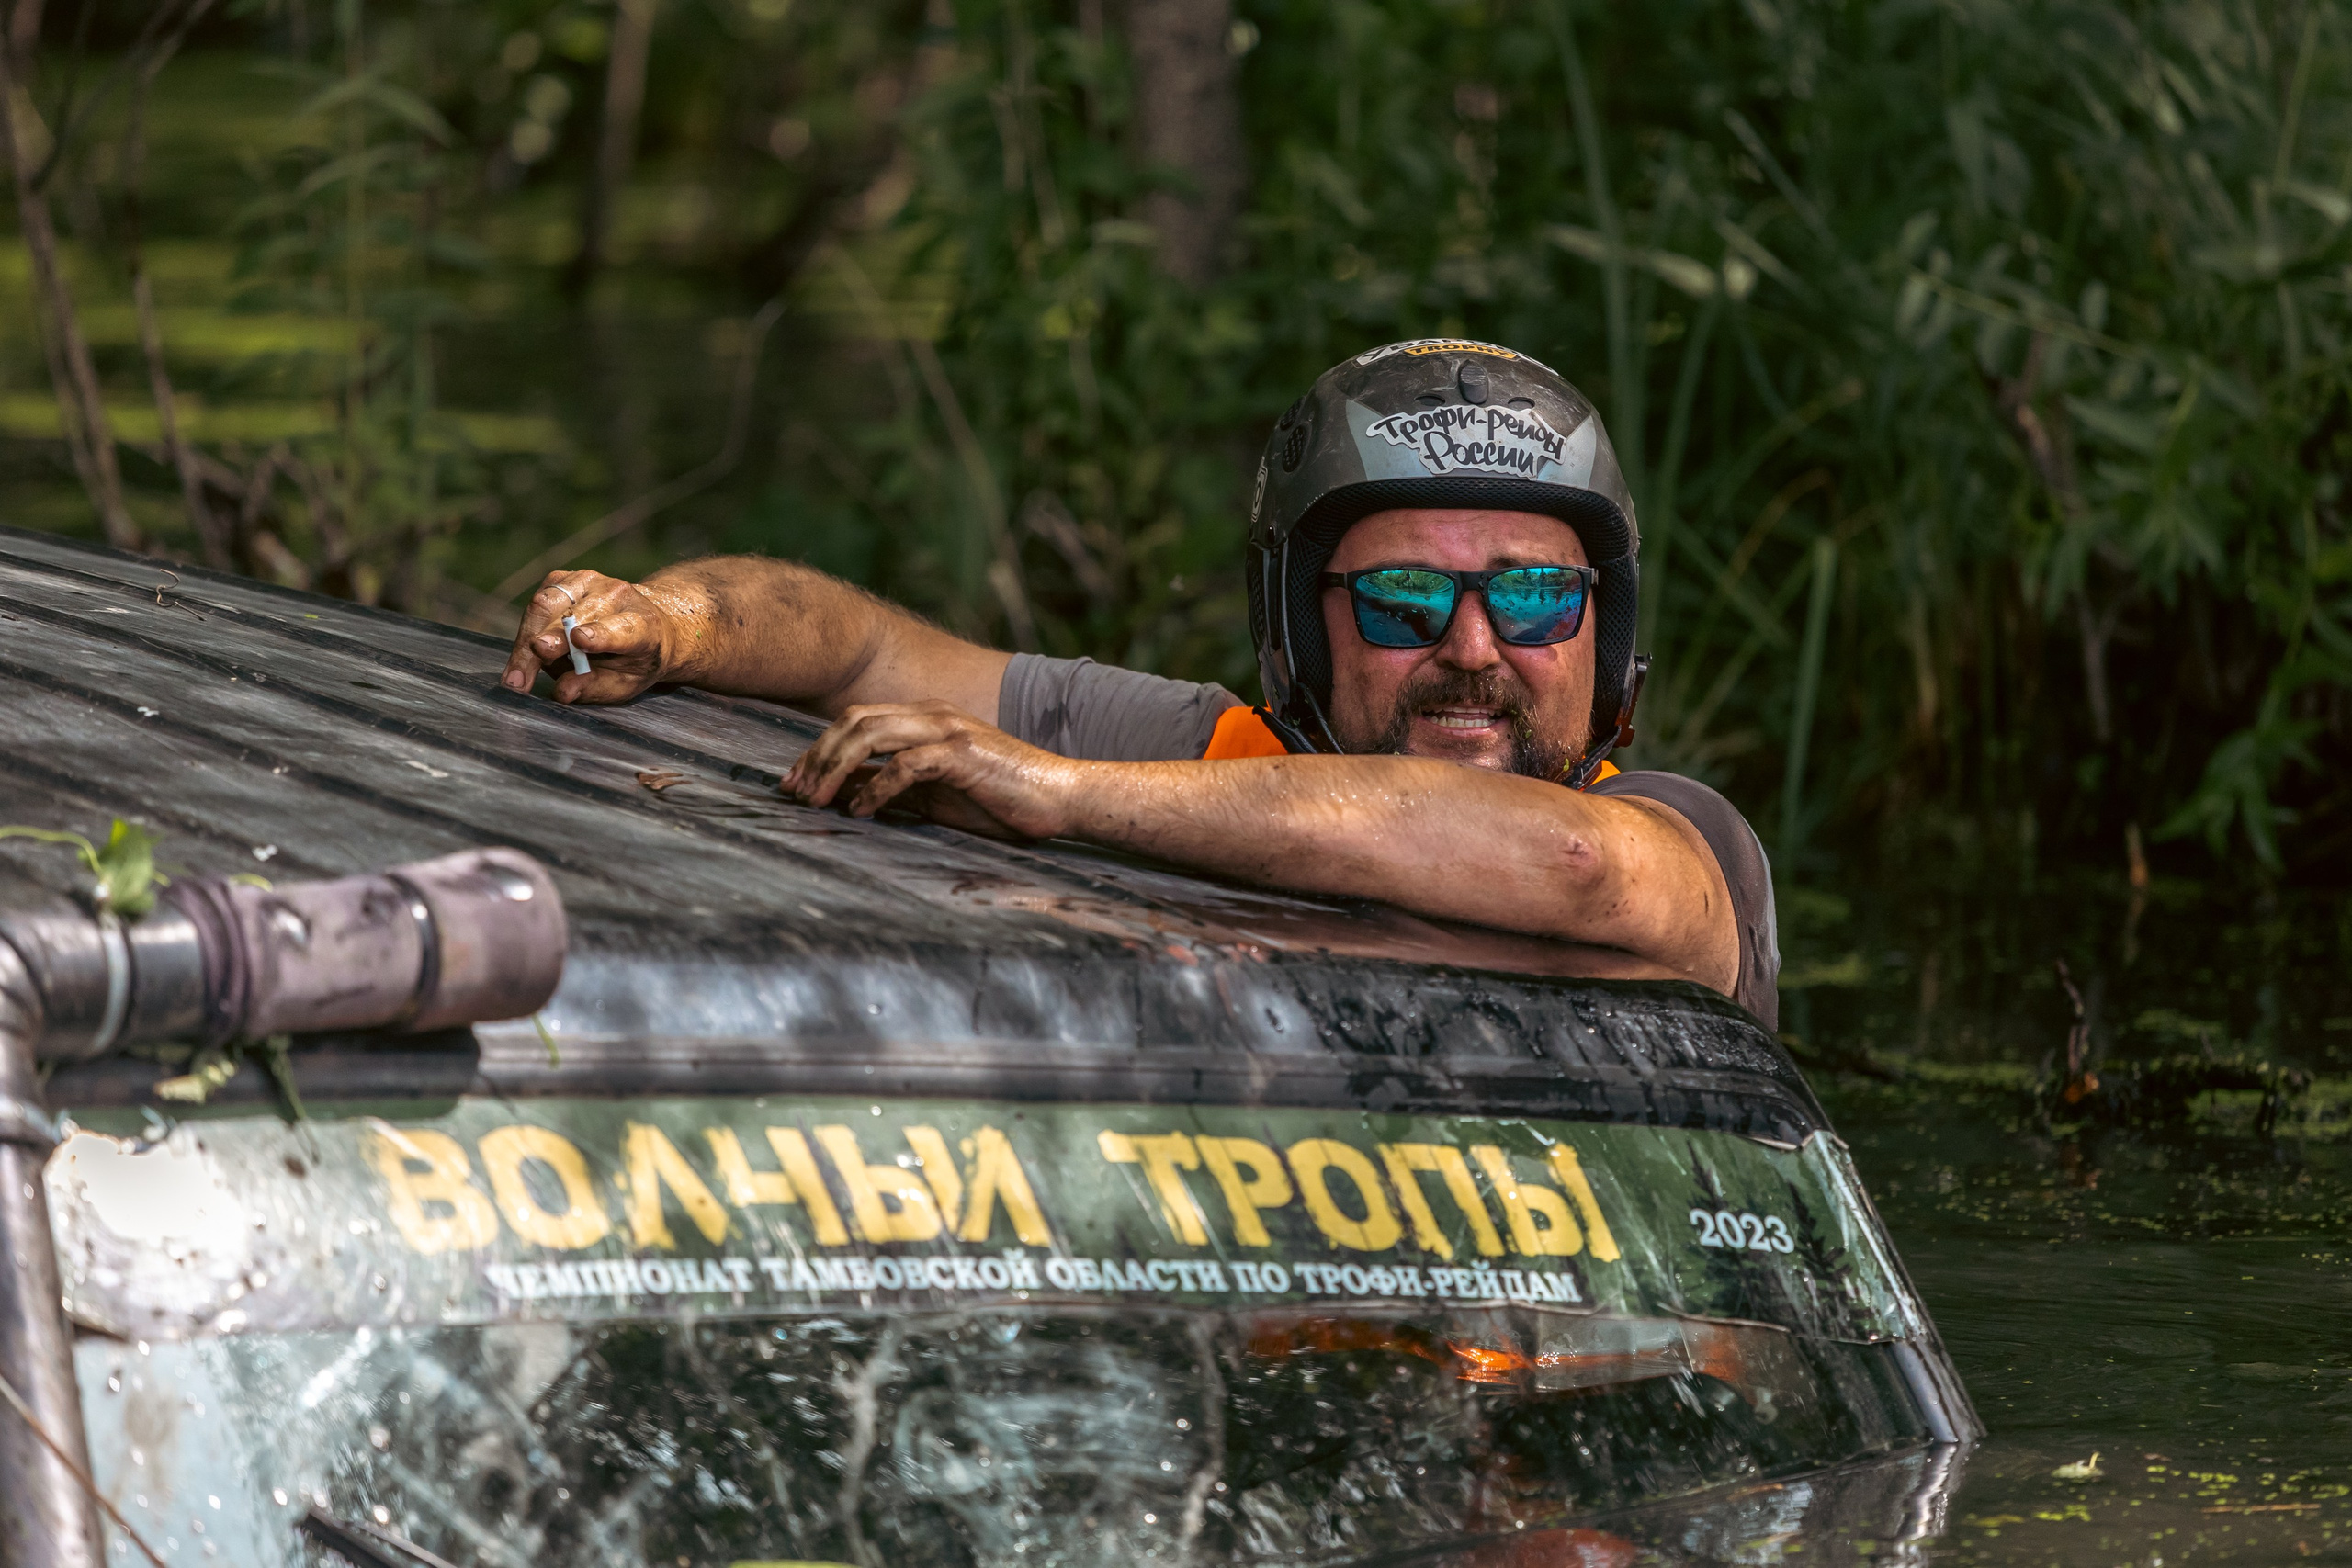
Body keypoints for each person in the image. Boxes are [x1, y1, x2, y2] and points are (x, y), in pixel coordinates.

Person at [502, 338, 1780, 1025]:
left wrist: (1059, 794)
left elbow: (1576, 868)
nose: (1472, 646)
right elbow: (862, 647)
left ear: (1602, 634)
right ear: (1300, 632)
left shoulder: (1686, 841)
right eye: (1400, 600)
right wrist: (677, 620)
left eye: (1535, 597)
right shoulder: (1204, 750)